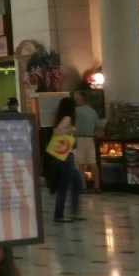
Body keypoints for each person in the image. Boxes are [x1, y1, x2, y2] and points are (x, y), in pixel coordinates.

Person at [52, 95, 84, 223]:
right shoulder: (68, 118)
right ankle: (59, 215)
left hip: (63, 155)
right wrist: (72, 129)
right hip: (66, 156)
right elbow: (57, 131)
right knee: (65, 187)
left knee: (76, 184)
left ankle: (74, 213)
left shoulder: (61, 117)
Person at [73, 89, 101, 191]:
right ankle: (97, 186)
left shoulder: (78, 111)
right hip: (90, 139)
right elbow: (98, 127)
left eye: (76, 98)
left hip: (80, 139)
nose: (75, 100)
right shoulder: (93, 111)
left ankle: (83, 186)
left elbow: (76, 127)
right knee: (93, 162)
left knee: (80, 163)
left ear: (81, 99)